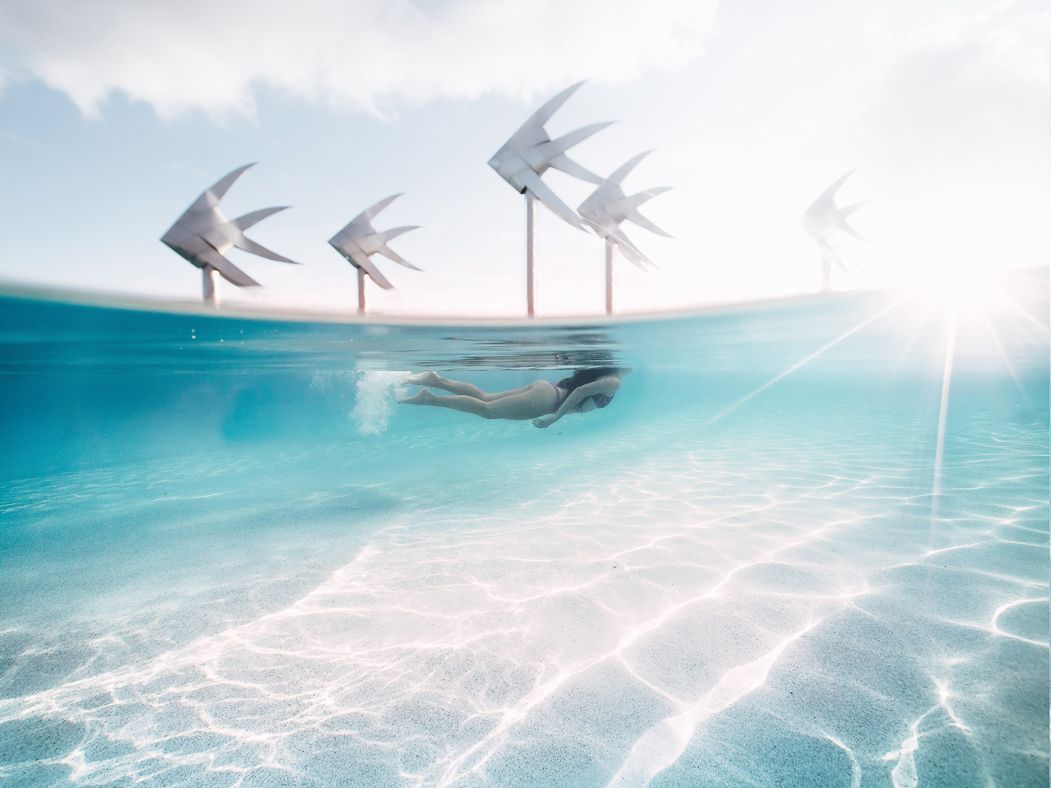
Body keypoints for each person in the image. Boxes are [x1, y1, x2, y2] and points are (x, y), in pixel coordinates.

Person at [399, 367, 624, 428]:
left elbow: (579, 388)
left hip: (546, 389)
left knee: (485, 397)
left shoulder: (601, 373)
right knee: (487, 411)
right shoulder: (613, 381)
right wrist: (556, 417)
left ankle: (434, 380)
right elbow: (580, 392)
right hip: (549, 401)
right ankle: (430, 398)